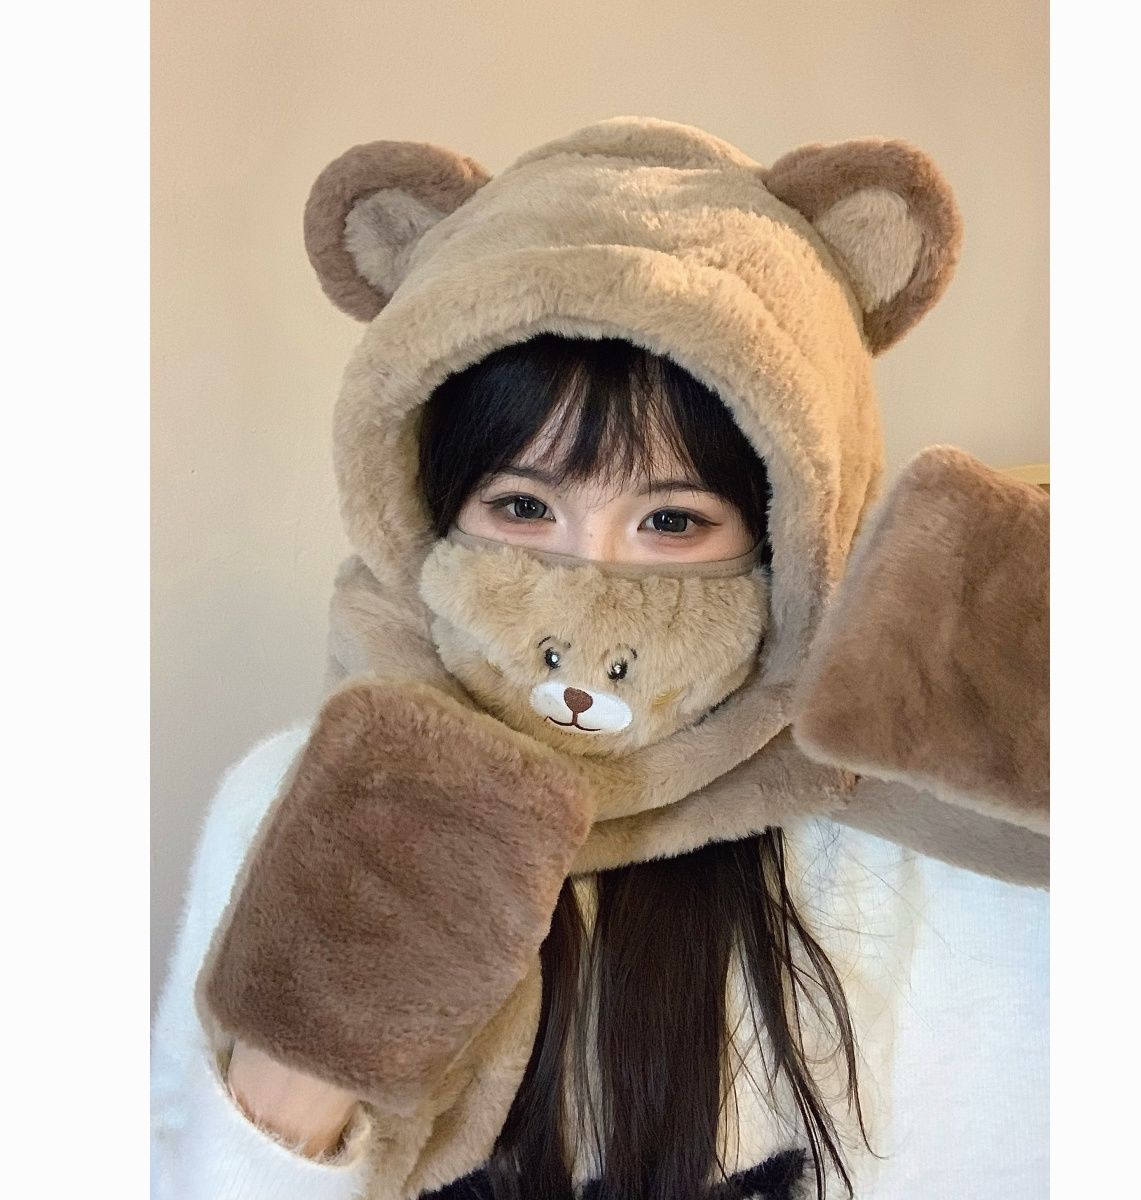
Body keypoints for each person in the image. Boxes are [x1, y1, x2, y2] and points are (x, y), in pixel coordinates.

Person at [151, 117, 1049, 1200]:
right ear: (423, 516)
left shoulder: (897, 834)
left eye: (672, 522)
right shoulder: (300, 803)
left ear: (787, 540)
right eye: (523, 507)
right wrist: (308, 1065)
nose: (589, 585)